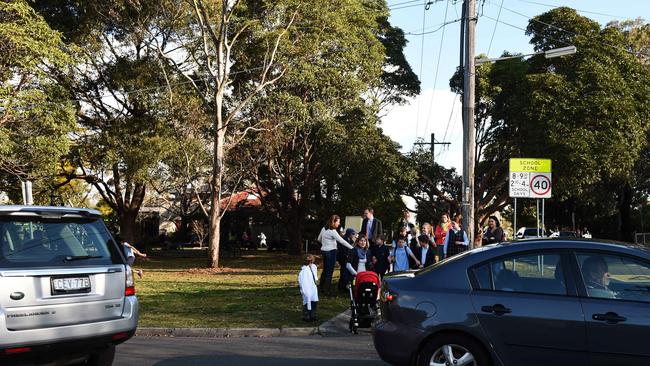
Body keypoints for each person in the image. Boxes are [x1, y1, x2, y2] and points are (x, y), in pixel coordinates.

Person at [317, 215, 354, 294]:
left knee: (325, 270)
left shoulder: (324, 229)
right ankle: (327, 290)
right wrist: (352, 248)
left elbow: (319, 239)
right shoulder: (333, 231)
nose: (339, 224)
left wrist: (325, 243)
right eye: (338, 222)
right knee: (329, 271)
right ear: (333, 222)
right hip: (331, 252)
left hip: (324, 251)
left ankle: (321, 288)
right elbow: (342, 241)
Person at [298, 254, 319, 322]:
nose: (311, 262)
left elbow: (315, 276)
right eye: (309, 261)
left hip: (313, 288)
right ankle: (306, 316)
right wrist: (305, 291)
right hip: (307, 289)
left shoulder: (313, 267)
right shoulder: (304, 271)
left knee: (313, 302)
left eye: (311, 261)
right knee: (307, 302)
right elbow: (303, 282)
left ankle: (312, 315)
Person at [337, 228, 358, 292]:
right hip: (343, 259)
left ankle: (346, 287)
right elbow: (342, 250)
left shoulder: (351, 240)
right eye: (352, 234)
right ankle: (341, 287)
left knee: (347, 274)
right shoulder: (344, 240)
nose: (353, 235)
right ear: (349, 233)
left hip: (348, 259)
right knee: (343, 274)